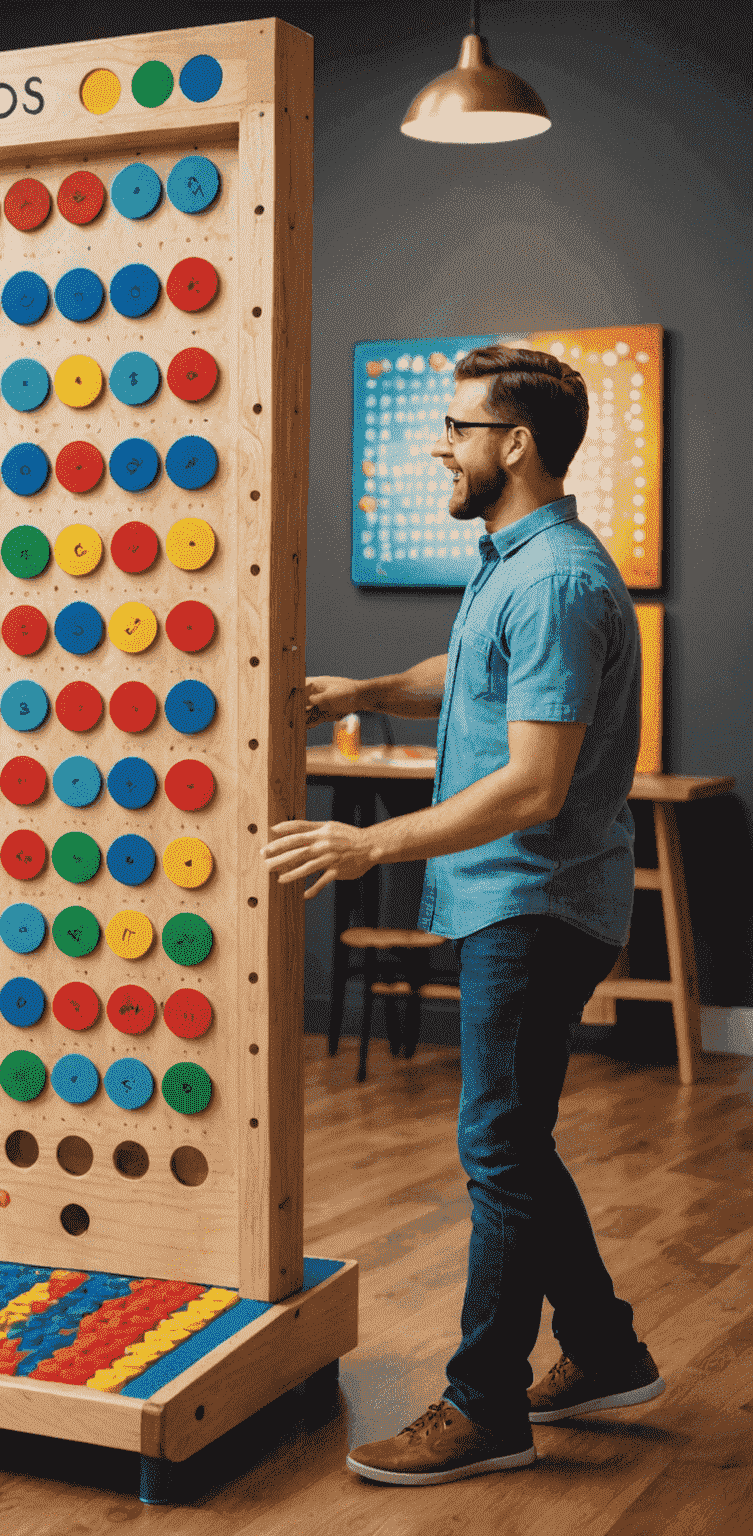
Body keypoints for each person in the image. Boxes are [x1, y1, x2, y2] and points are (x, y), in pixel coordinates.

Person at [262, 346, 664, 1486]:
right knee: (516, 1142)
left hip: (532, 904)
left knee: (497, 1146)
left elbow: (533, 784)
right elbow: (474, 671)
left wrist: (367, 844)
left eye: (457, 426)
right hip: (521, 899)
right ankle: (602, 1348)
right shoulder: (521, 563)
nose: (440, 443)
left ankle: (484, 1407)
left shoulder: (557, 582)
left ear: (516, 443)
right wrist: (372, 691)